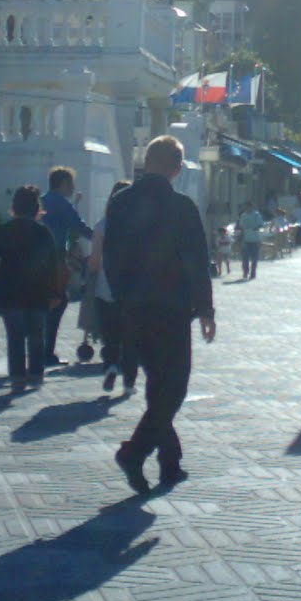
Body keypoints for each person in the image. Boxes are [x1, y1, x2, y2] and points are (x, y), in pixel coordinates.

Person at [104, 135, 216, 494]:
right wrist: (206, 308)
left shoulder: (120, 203)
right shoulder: (181, 207)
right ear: (177, 168)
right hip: (171, 309)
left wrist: (122, 297)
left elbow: (111, 256)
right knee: (174, 387)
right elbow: (198, 261)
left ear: (145, 161)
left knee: (158, 386)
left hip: (134, 307)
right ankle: (135, 452)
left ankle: (170, 462)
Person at [0, 185, 63, 389]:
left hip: (9, 293)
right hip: (37, 292)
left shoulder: (3, 230)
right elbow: (53, 265)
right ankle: (36, 375)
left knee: (15, 337)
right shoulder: (43, 232)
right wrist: (55, 292)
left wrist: (0, 281)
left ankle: (18, 376)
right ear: (36, 207)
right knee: (37, 335)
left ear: (14, 207)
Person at [39, 166, 93, 367]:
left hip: (38, 259)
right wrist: (101, 237)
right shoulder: (61, 203)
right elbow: (78, 226)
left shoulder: (42, 200)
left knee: (45, 302)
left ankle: (41, 348)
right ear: (63, 183)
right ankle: (47, 351)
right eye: (70, 183)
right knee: (59, 301)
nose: (72, 187)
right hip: (55, 259)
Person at [86, 180, 137, 393]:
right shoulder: (138, 226)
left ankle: (110, 366)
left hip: (105, 289)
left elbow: (95, 261)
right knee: (131, 337)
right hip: (133, 291)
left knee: (110, 335)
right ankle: (129, 382)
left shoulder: (102, 225)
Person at [238, 202, 265, 280]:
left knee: (254, 258)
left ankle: (253, 273)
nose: (246, 209)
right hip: (246, 239)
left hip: (255, 239)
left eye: (248, 207)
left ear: (251, 207)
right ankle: (245, 272)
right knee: (245, 258)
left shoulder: (256, 215)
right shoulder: (243, 215)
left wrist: (255, 228)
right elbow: (241, 226)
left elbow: (261, 224)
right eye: (245, 207)